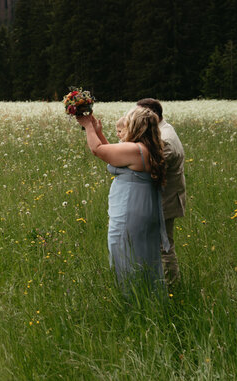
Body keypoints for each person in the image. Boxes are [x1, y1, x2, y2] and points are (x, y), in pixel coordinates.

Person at [76, 106, 169, 292]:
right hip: (140, 206)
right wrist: (98, 132)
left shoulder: (136, 149)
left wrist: (88, 127)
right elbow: (112, 156)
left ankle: (132, 299)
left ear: (137, 126)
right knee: (141, 253)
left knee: (124, 252)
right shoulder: (144, 148)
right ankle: (147, 296)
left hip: (130, 209)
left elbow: (97, 150)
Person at [137, 98, 186, 286]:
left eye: (139, 115)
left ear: (151, 116)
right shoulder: (162, 130)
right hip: (165, 198)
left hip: (165, 200)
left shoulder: (164, 139)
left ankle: (171, 288)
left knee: (164, 247)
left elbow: (148, 170)